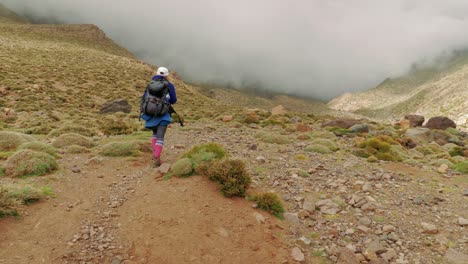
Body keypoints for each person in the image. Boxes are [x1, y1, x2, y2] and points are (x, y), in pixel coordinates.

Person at [141, 66, 177, 167]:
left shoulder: (150, 84)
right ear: (166, 75)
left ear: (156, 73)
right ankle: (156, 157)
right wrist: (165, 102)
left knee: (155, 135)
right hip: (163, 114)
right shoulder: (169, 85)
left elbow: (144, 98)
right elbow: (174, 100)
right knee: (160, 137)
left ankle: (156, 155)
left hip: (150, 114)